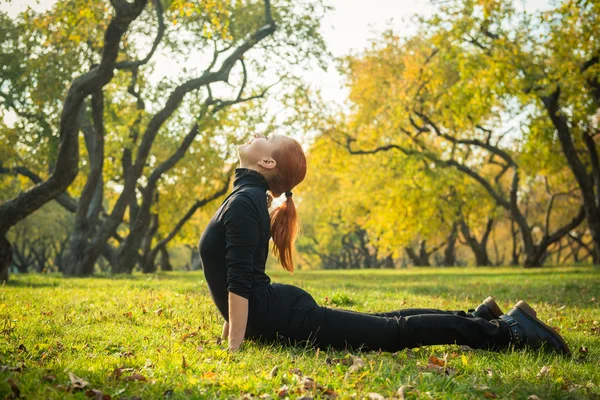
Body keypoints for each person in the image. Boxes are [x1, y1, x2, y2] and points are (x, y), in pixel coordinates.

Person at [198, 133, 570, 355]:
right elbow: (236, 278)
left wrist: (234, 346)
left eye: (265, 138)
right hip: (280, 313)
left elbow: (238, 284)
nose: (257, 134)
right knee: (383, 324)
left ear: (264, 161)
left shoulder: (248, 200)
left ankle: (507, 332)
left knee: (392, 333)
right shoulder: (247, 198)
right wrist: (231, 335)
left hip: (286, 316)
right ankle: (475, 318)